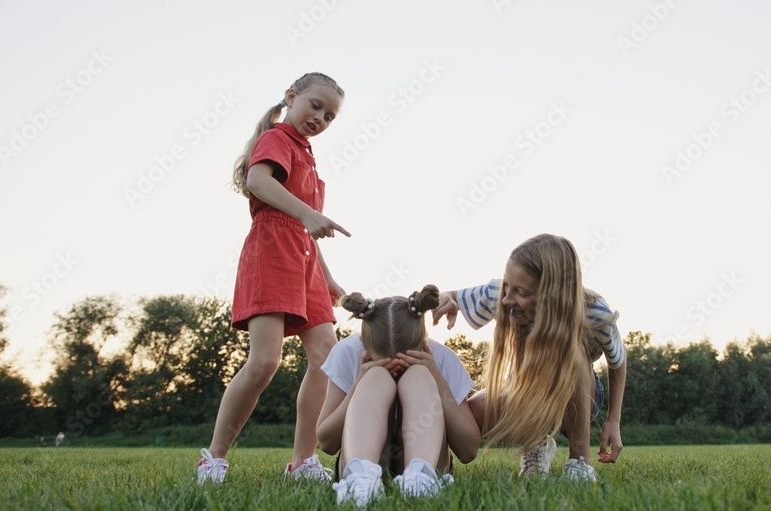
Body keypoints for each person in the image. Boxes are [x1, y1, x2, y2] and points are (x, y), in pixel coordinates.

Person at [195, 72, 351, 485]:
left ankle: (302, 462)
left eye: (330, 116)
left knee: (328, 360)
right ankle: (213, 457)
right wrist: (307, 214)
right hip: (272, 255)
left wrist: (328, 278)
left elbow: (308, 230)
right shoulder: (277, 139)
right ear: (291, 97)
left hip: (305, 265)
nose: (319, 118)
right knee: (264, 363)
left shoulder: (309, 156)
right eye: (315, 106)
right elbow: (257, 181)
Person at [432, 233, 627, 482]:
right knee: (468, 414)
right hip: (524, 392)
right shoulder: (502, 295)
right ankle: (535, 444)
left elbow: (617, 361)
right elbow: (453, 295)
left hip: (576, 399)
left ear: (552, 294)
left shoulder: (593, 312)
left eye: (520, 292)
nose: (505, 299)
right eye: (506, 287)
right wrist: (445, 299)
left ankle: (579, 463)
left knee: (574, 351)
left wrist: (613, 420)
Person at [317, 285, 480, 507]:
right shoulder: (347, 352)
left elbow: (468, 451)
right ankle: (360, 480)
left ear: (423, 346)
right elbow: (326, 442)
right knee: (375, 379)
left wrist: (435, 378)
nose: (396, 377)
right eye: (388, 366)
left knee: (419, 376)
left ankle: (421, 479)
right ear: (364, 346)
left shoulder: (441, 359)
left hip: (429, 463)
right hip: (361, 460)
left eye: (403, 366)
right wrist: (358, 384)